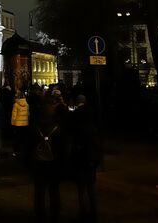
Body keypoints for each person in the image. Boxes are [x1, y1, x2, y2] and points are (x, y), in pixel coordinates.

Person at [30, 102, 65, 223]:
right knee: (54, 190)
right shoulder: (56, 128)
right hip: (53, 163)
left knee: (39, 190)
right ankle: (55, 213)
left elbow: (30, 146)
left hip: (39, 163)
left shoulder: (35, 128)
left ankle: (39, 214)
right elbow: (62, 149)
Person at [69, 95, 100, 223]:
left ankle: (83, 211)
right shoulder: (92, 121)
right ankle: (93, 211)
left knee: (81, 188)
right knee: (91, 187)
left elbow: (73, 138)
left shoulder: (76, 118)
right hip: (91, 158)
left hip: (81, 158)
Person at [11, 91, 30, 158]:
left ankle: (16, 152)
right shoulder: (27, 104)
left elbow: (14, 116)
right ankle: (23, 152)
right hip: (25, 124)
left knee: (17, 139)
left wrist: (13, 124)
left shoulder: (15, 104)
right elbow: (28, 114)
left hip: (17, 124)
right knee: (23, 138)